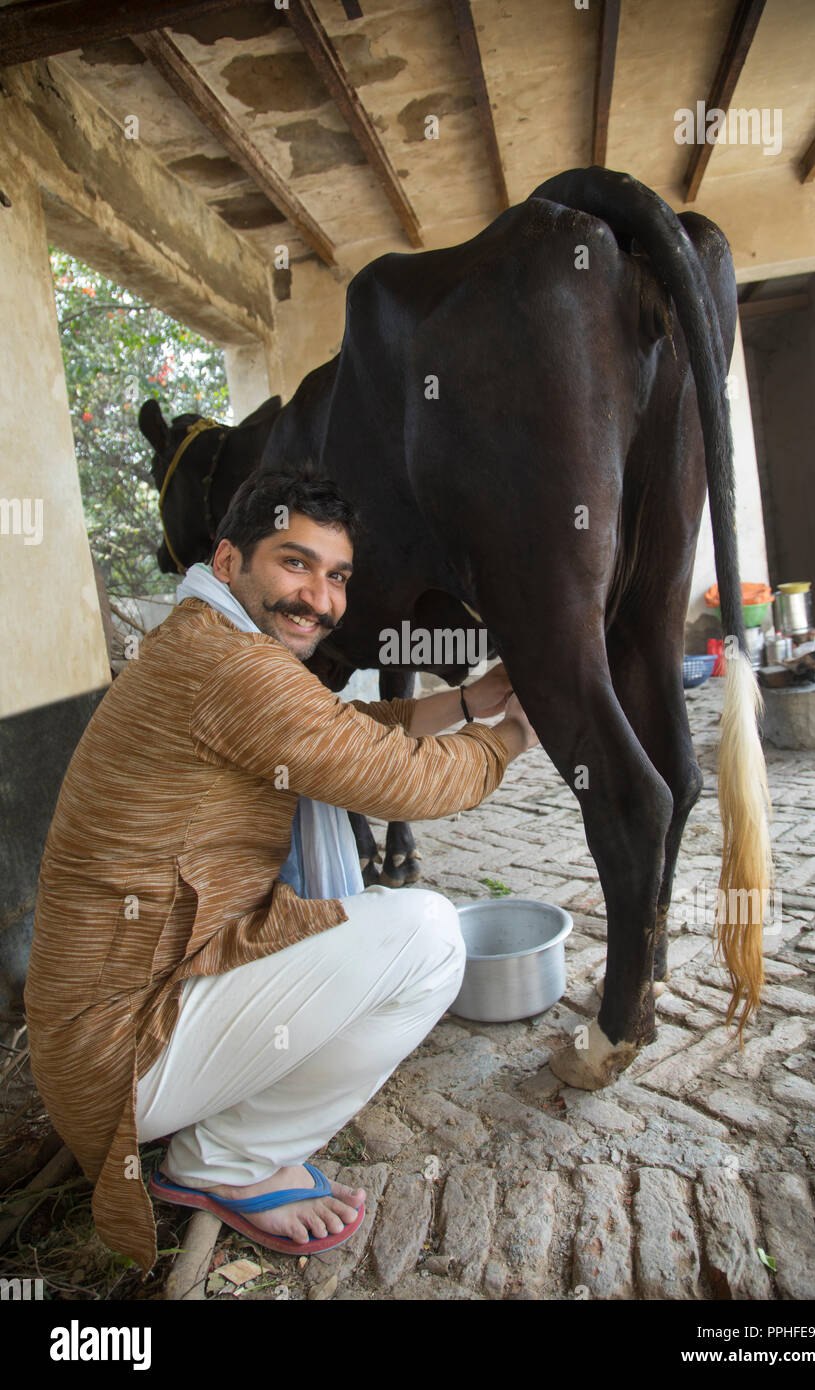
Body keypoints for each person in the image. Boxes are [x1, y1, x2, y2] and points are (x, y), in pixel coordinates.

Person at [23, 468, 538, 1276]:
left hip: (111, 1019)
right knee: (429, 935)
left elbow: (342, 728)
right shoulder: (228, 666)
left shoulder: (208, 640)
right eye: (294, 564)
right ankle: (225, 1160)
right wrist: (512, 737)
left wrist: (471, 703)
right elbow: (412, 781)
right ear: (229, 560)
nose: (320, 598)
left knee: (336, 865)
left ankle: (221, 1128)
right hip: (117, 1057)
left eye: (336, 577)